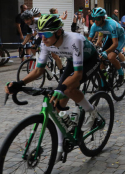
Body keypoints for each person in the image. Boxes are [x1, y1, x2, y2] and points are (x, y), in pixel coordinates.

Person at [5, 14, 100, 163]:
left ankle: (91, 111)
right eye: (40, 34)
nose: (42, 38)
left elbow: (78, 74)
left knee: (67, 90)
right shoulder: (45, 43)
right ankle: (61, 146)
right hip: (72, 61)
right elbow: (38, 71)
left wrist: (61, 87)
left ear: (58, 32)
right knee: (57, 105)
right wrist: (20, 83)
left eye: (47, 34)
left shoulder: (74, 40)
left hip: (90, 60)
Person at [88, 8, 125, 84]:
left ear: (102, 18)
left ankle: (121, 74)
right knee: (100, 58)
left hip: (120, 38)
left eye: (97, 19)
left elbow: (115, 44)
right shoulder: (94, 26)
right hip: (110, 37)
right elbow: (88, 41)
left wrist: (106, 52)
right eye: (94, 19)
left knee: (111, 57)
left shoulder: (111, 24)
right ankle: (104, 78)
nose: (95, 21)